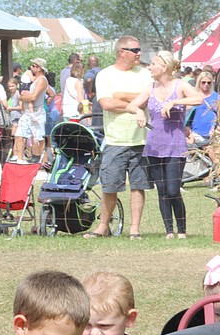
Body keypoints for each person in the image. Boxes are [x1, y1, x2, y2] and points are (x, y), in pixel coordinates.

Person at [127, 50, 204, 239]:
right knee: (161, 190)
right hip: (154, 146)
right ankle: (169, 230)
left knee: (172, 189)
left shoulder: (180, 85)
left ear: (164, 67)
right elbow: (131, 105)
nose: (149, 67)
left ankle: (182, 230)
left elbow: (199, 99)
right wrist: (138, 112)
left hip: (175, 146)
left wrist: (175, 102)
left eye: (153, 64)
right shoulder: (150, 88)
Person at [87, 36, 153, 239]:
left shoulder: (144, 73)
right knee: (110, 186)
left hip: (140, 139)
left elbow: (147, 98)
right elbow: (106, 103)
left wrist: (122, 96)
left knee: (138, 186)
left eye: (139, 49)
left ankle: (135, 229)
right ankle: (103, 227)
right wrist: (134, 103)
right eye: (134, 50)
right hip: (115, 140)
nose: (138, 53)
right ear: (121, 52)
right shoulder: (105, 75)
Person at [12, 57, 48, 164]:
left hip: (37, 113)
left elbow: (33, 97)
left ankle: (37, 157)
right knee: (19, 134)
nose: (31, 68)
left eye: (33, 66)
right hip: (27, 112)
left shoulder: (42, 80)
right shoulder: (35, 81)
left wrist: (21, 97)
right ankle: (20, 159)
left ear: (39, 68)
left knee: (38, 137)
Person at [186, 70, 220, 165]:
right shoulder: (193, 96)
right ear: (199, 82)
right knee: (209, 155)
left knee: (216, 156)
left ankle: (215, 175)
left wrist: (218, 127)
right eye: (203, 82)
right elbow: (187, 116)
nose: (206, 85)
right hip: (197, 133)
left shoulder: (216, 97)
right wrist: (188, 129)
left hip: (213, 133)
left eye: (209, 82)